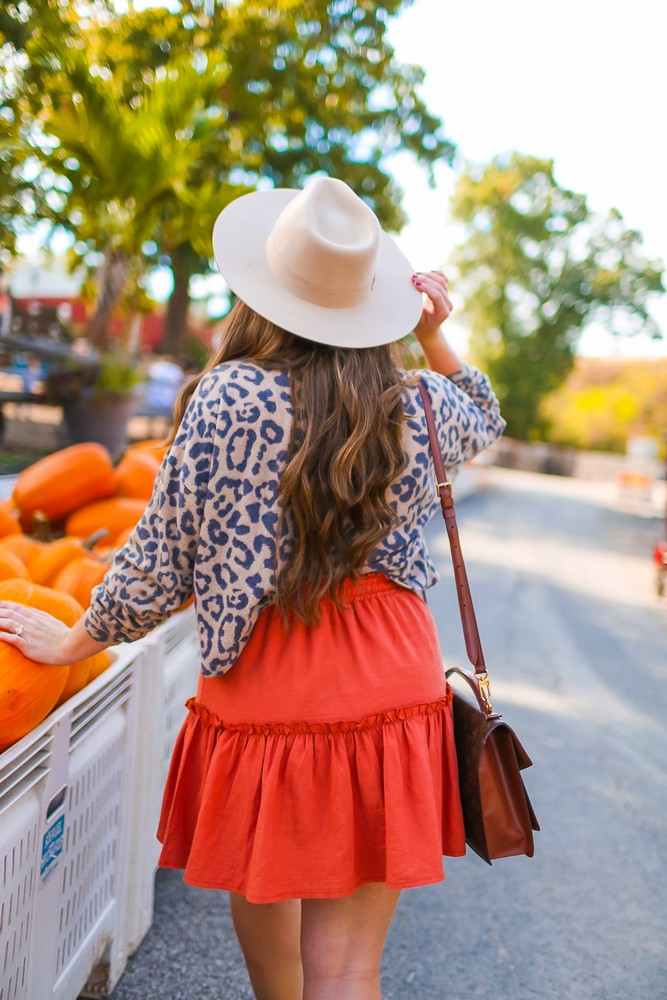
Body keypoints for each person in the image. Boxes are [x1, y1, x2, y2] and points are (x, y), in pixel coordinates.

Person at [0, 177, 505, 1000]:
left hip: (270, 683)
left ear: (260, 295)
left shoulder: (227, 397)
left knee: (281, 967)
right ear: (368, 304)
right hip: (391, 677)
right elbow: (484, 411)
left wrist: (73, 638)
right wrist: (433, 336)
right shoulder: (416, 402)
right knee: (348, 969)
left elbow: (159, 557)